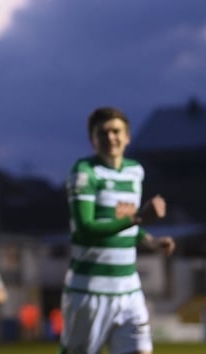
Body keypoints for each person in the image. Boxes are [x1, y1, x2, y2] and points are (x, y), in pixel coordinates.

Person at [61, 106, 175, 354]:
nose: (110, 137)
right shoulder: (84, 173)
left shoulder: (135, 171)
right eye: (103, 133)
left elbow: (126, 225)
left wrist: (152, 242)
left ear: (127, 137)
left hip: (129, 289)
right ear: (92, 139)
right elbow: (85, 229)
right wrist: (139, 217)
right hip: (89, 291)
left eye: (116, 131)